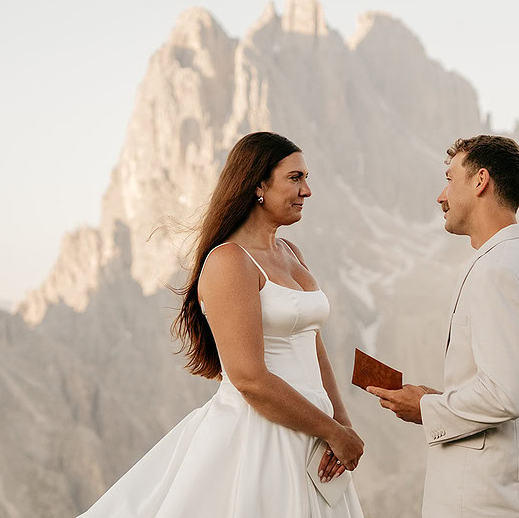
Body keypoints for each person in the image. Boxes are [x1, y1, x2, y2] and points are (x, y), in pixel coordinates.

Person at [79, 131, 365, 517]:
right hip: (262, 436)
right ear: (259, 185)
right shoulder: (230, 261)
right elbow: (249, 378)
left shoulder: (290, 252)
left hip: (315, 435)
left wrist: (342, 424)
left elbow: (312, 341)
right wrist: (331, 431)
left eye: (306, 178)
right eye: (295, 178)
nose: (307, 190)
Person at [368, 135, 519, 518]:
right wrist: (447, 398)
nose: (441, 196)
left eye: (450, 179)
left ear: (481, 181)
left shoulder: (499, 270)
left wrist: (426, 408)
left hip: (492, 498)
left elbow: (506, 395)